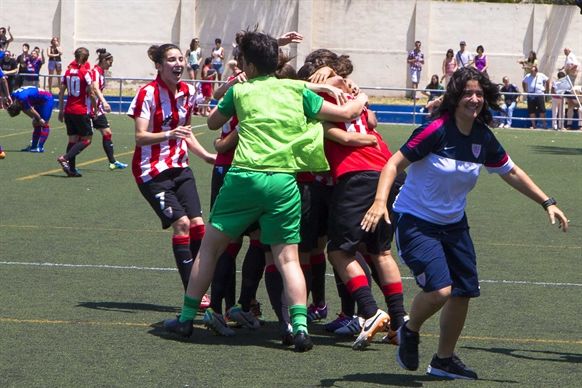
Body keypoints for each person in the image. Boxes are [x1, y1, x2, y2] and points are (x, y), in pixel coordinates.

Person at [162, 30, 369, 353]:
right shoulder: (296, 90)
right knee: (288, 259)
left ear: (249, 65)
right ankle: (300, 328)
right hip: (283, 182)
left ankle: (187, 318)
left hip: (244, 177)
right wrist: (361, 97)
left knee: (211, 249)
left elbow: (214, 123)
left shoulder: (241, 91)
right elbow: (348, 114)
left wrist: (233, 89)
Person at [361, 67, 569, 380]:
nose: (474, 99)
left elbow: (510, 171)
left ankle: (444, 360)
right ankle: (409, 329)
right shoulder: (436, 130)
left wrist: (547, 202)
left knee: (463, 290)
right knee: (440, 290)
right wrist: (379, 202)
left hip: (454, 225)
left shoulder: (482, 136)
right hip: (416, 221)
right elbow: (393, 163)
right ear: (456, 97)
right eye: (468, 93)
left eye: (480, 94)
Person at [127, 43, 216, 303]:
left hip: (180, 167)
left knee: (200, 226)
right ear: (159, 64)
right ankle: (192, 291)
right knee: (182, 224)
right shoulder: (147, 94)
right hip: (151, 173)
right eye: (172, 59)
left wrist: (206, 156)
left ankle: (201, 284)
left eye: (181, 59)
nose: (179, 63)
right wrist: (168, 133)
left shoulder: (187, 91)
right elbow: (140, 137)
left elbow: (186, 133)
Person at [56, 47, 94, 177]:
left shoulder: (67, 72)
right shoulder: (85, 72)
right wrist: (93, 108)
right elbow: (92, 92)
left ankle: (71, 170)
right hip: (80, 110)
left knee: (72, 140)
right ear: (86, 58)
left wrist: (61, 110)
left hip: (68, 110)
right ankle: (65, 158)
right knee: (87, 139)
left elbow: (61, 92)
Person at [91, 48, 128, 170]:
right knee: (83, 139)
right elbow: (95, 88)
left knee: (107, 133)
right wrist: (104, 102)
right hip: (92, 108)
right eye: (110, 62)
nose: (111, 64)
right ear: (103, 60)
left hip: (97, 108)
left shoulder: (101, 72)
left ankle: (112, 162)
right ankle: (68, 159)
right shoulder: (96, 71)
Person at [7, 86, 54, 152]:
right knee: (36, 123)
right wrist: (35, 118)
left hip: (46, 99)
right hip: (38, 100)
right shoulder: (14, 96)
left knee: (44, 123)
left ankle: (40, 147)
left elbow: (29, 109)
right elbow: (24, 109)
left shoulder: (22, 98)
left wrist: (39, 118)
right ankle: (33, 147)